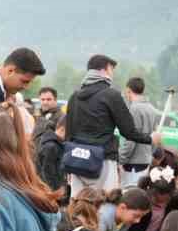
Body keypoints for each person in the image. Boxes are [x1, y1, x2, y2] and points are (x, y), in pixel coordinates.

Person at [59, 54, 154, 193]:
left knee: (79, 206)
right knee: (105, 204)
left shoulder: (74, 96)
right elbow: (128, 131)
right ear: (104, 70)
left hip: (77, 159)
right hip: (103, 160)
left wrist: (67, 162)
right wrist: (151, 139)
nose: (112, 74)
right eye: (111, 70)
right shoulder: (112, 95)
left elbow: (69, 132)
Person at [121, 77, 160, 186]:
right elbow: (155, 137)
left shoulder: (133, 109)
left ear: (128, 90)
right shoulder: (152, 109)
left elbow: (131, 138)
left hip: (132, 163)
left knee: (129, 194)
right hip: (146, 160)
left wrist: (121, 159)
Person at [33, 86, 66, 191]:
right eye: (42, 99)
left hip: (52, 168)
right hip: (36, 164)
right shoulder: (38, 116)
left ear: (55, 100)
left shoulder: (62, 118)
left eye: (48, 99)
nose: (45, 102)